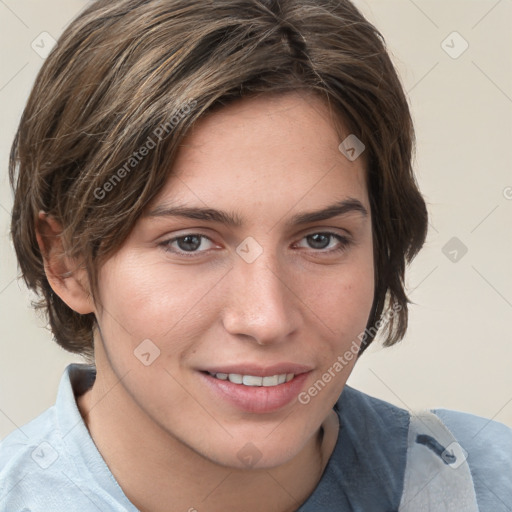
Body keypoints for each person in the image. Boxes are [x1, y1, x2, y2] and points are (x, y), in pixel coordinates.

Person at [1, 0, 511, 510]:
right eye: (190, 242)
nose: (267, 320)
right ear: (67, 262)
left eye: (320, 240)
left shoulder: (487, 485)